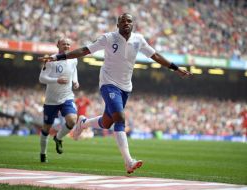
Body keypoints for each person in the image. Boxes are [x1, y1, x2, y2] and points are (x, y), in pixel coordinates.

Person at [39, 13, 192, 173]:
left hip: (126, 87)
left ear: (133, 24)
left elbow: (156, 56)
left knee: (107, 122)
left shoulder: (138, 40)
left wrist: (176, 68)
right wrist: (59, 57)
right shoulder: (108, 38)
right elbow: (85, 50)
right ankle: (128, 161)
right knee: (120, 117)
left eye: (129, 21)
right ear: (117, 25)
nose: (126, 23)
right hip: (108, 83)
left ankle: (83, 123)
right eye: (122, 21)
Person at [39, 37, 79, 163]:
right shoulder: (51, 60)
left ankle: (58, 137)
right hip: (51, 100)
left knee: (72, 120)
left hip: (67, 97)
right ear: (58, 45)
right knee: (46, 128)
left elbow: (74, 70)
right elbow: (42, 78)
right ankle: (43, 153)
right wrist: (56, 80)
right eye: (64, 44)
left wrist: (75, 80)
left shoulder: (73, 59)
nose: (66, 46)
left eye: (68, 44)